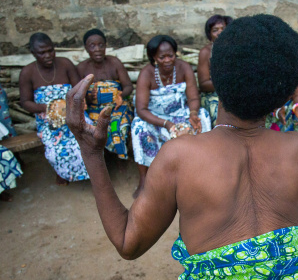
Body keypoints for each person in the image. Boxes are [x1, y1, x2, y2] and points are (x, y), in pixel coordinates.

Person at [67, 14, 298, 280]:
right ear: (287, 94)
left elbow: (127, 242)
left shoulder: (179, 157)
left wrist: (92, 154)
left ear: (215, 77)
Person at [131, 35, 211, 198]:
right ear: (154, 57)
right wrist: (166, 123)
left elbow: (193, 98)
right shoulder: (146, 73)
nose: (167, 60)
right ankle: (144, 179)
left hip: (182, 113)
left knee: (203, 117)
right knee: (138, 127)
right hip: (156, 118)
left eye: (171, 55)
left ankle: (200, 172)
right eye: (162, 57)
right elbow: (141, 109)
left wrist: (193, 114)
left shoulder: (184, 68)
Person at [19, 32, 89, 185]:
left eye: (50, 50)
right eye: (42, 53)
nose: (48, 55)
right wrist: (51, 107)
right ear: (33, 53)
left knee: (86, 141)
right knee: (55, 150)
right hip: (48, 120)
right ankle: (62, 172)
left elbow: (80, 90)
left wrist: (68, 107)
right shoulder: (27, 72)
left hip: (75, 114)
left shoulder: (65, 64)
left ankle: (92, 173)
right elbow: (25, 102)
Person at [77, 29, 134, 159]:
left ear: (105, 46)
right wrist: (88, 97)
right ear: (86, 48)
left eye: (101, 45)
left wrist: (120, 95)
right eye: (92, 46)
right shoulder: (81, 68)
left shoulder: (114, 63)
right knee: (93, 129)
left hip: (117, 107)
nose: (97, 49)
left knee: (118, 128)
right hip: (93, 109)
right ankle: (101, 159)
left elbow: (128, 86)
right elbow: (78, 95)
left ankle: (120, 156)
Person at [197, 15, 233, 127]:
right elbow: (203, 85)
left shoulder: (237, 49)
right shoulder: (206, 53)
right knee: (220, 113)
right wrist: (230, 82)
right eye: (215, 30)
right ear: (209, 34)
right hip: (213, 95)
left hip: (234, 92)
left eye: (223, 29)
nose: (220, 33)